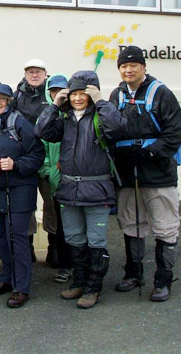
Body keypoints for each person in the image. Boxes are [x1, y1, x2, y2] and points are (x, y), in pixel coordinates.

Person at [35, 71, 126, 309]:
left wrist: (101, 101)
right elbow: (42, 131)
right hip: (69, 189)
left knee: (96, 241)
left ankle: (93, 288)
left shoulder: (101, 116)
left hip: (96, 189)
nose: (77, 99)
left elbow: (119, 129)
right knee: (75, 238)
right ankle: (79, 281)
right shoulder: (64, 119)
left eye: (82, 94)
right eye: (73, 94)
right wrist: (55, 105)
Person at [109, 46, 181, 302]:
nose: (128, 70)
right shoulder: (116, 95)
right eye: (123, 66)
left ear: (143, 67)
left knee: (165, 227)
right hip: (128, 174)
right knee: (131, 224)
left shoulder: (161, 94)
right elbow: (108, 130)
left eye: (133, 65)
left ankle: (163, 280)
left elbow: (174, 134)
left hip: (158, 173)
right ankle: (134, 273)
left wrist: (150, 153)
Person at [0, 84, 45, 308]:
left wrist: (15, 164)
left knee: (18, 238)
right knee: (1, 237)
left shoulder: (20, 123)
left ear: (9, 101)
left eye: (1, 99)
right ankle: (6, 278)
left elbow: (37, 154)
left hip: (19, 190)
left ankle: (21, 287)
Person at [12, 59, 54, 265]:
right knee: (26, 206)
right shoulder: (17, 95)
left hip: (49, 157)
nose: (34, 75)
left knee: (51, 203)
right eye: (30, 72)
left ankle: (54, 247)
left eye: (38, 71)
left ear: (45, 73)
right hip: (26, 158)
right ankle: (26, 247)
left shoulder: (53, 92)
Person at [39, 74, 73, 283]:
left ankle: (75, 263)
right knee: (57, 223)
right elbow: (40, 143)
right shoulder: (47, 116)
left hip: (71, 178)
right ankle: (62, 264)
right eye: (52, 90)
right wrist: (47, 171)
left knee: (73, 225)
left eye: (61, 90)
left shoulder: (74, 115)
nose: (56, 94)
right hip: (52, 178)